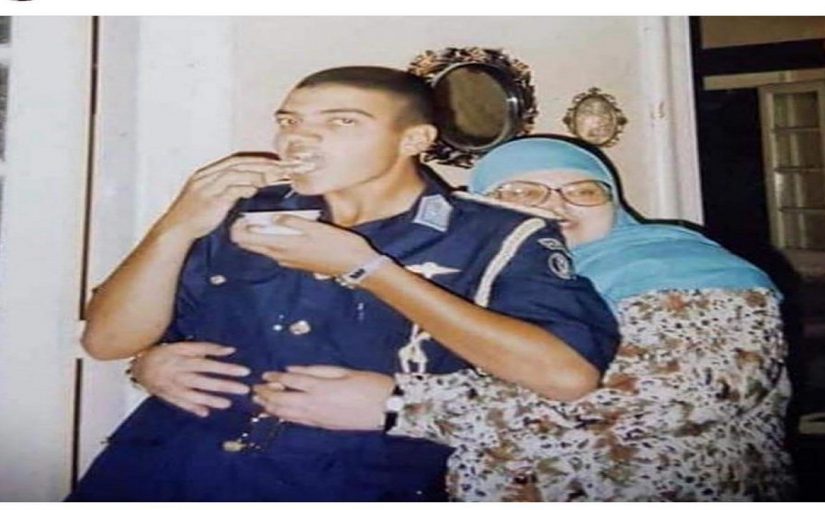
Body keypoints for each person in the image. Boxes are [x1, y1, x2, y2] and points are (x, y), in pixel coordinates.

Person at [69, 70, 618, 502]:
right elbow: (107, 342)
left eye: (341, 122)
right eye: (289, 121)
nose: (300, 137)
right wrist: (176, 224)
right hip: (159, 472)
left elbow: (567, 376)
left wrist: (369, 270)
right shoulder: (241, 212)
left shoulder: (498, 234)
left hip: (344, 481)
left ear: (414, 139)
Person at [183, 135, 790, 501]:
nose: (553, 207)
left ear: (615, 201)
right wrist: (159, 359)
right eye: (521, 194)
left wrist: (401, 407)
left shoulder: (682, 268)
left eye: (583, 191)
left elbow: (667, 400)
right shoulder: (473, 273)